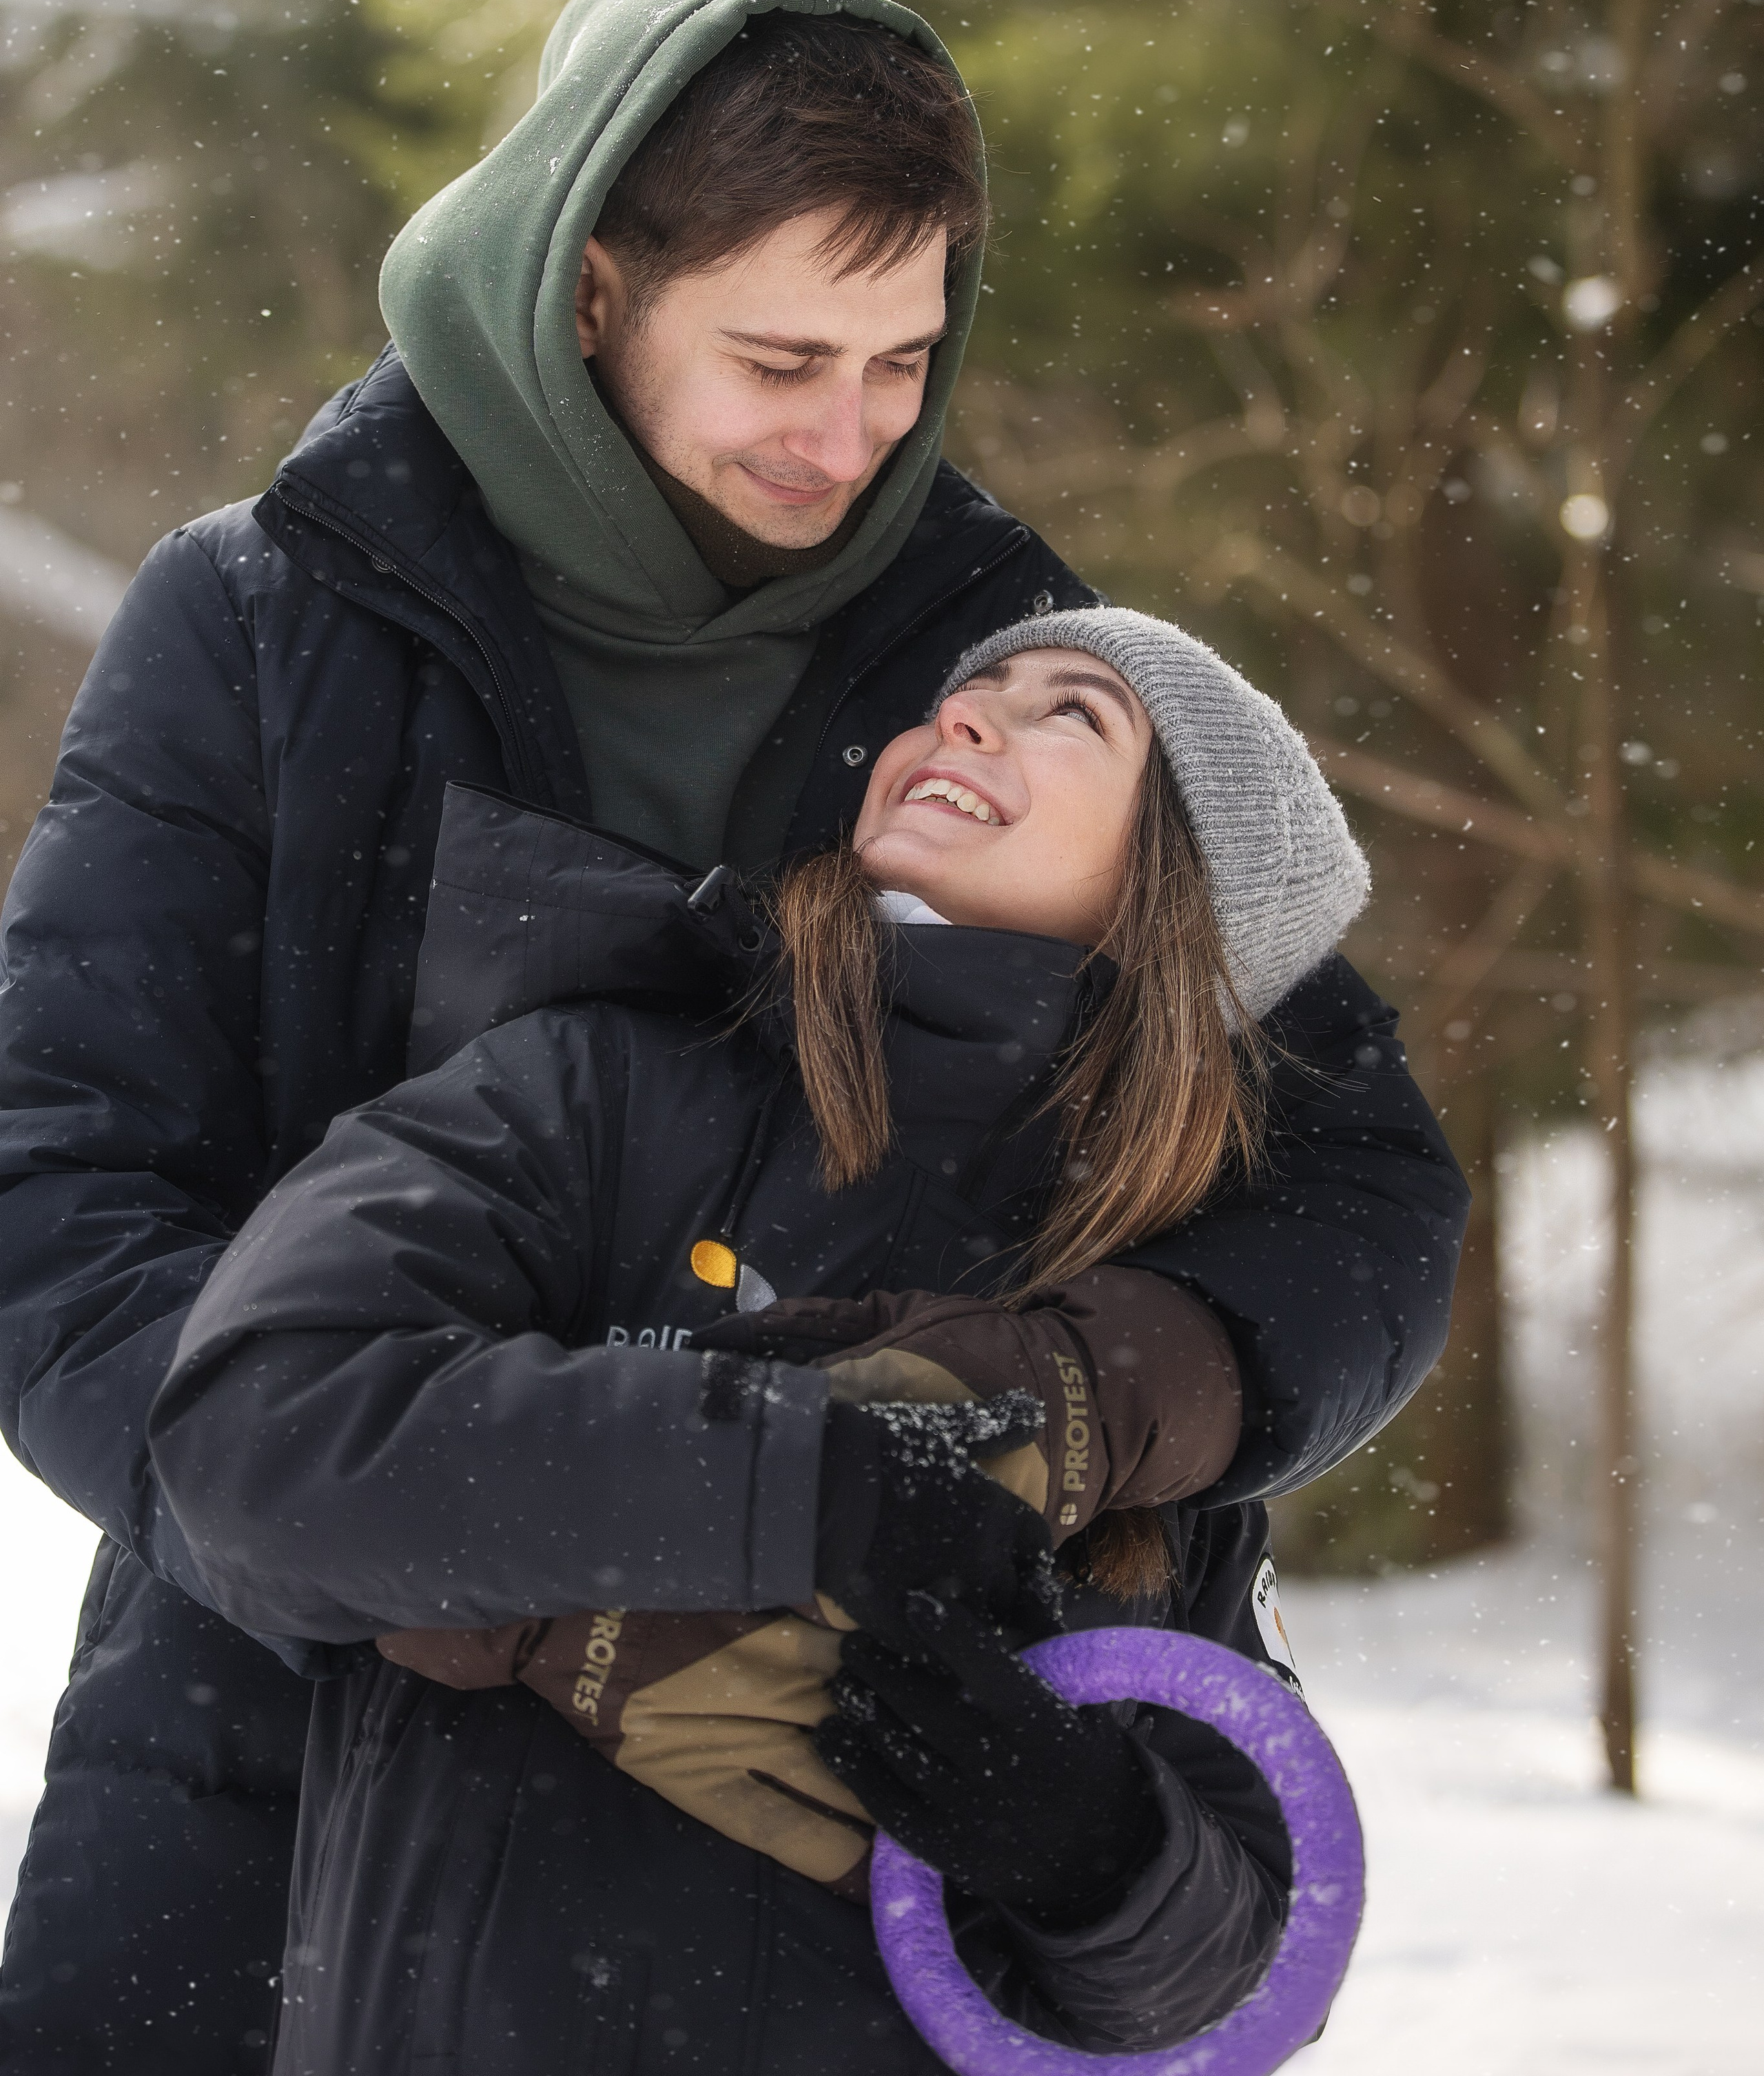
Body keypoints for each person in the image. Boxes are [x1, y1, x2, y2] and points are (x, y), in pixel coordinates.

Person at [0, 0, 1467, 2070]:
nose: (849, 433)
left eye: (905, 354)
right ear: (594, 288)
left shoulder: (997, 644)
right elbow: (56, 1189)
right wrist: (467, 1560)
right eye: (782, 355)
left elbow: (1352, 1172)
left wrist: (1060, 1393)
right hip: (279, 1721)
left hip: (846, 1759)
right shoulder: (263, 618)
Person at [151, 608, 1378, 2068]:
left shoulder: (1150, 1332)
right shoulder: (586, 1088)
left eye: (1072, 715)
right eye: (961, 690)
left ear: (1180, 897)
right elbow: (250, 1434)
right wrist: (796, 1485)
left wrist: (1098, 1858)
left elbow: (1250, 1976)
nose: (964, 718)